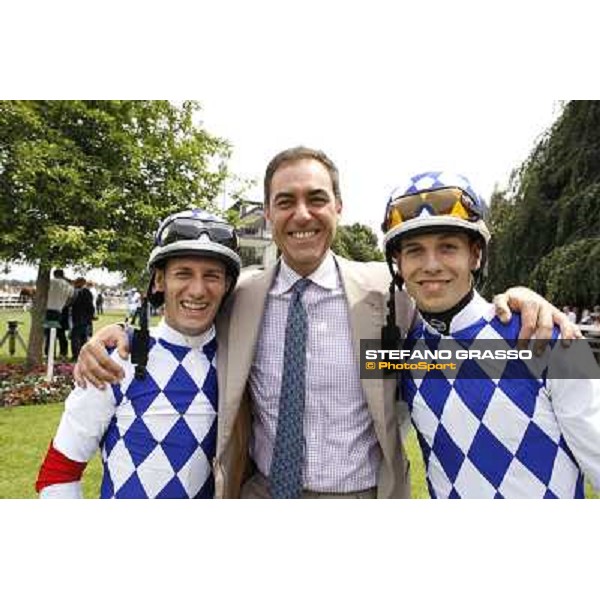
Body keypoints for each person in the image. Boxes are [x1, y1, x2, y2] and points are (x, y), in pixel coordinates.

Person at [74, 147, 579, 499]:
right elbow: (183, 323)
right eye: (285, 202)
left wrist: (528, 301)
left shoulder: (390, 290)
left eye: (316, 199)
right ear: (269, 215)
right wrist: (113, 336)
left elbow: (458, 313)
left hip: (361, 499)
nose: (302, 214)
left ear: (338, 206)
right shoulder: (239, 294)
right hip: (260, 494)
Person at [381, 171, 600, 498]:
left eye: (448, 247)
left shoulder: (553, 339)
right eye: (414, 250)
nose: (431, 265)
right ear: (397, 263)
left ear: (476, 255)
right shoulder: (396, 354)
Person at [36, 209, 241, 498]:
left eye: (212, 276)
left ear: (227, 285)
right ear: (159, 281)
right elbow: (58, 472)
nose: (198, 290)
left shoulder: (238, 361)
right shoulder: (117, 356)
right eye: (183, 273)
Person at [44, 268, 73, 359]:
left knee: (49, 334)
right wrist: (63, 304)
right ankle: (63, 353)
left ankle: (49, 353)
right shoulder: (68, 286)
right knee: (61, 334)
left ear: (54, 274)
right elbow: (70, 299)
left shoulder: (49, 282)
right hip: (60, 311)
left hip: (49, 310)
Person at [69, 277, 96, 361]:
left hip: (78, 317)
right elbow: (91, 306)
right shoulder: (86, 292)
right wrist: (91, 316)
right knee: (83, 337)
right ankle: (82, 355)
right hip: (85, 318)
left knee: (76, 337)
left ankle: (76, 355)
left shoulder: (76, 292)